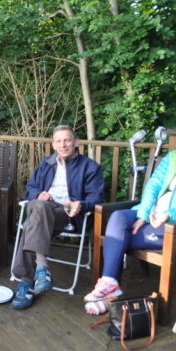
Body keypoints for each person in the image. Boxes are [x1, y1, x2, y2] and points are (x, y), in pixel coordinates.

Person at [84, 119, 176, 315]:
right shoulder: (174, 158)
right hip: (150, 215)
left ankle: (109, 295)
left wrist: (170, 215)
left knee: (116, 238)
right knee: (117, 217)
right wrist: (143, 214)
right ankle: (109, 284)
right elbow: (154, 185)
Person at [11, 125, 105, 310]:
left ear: (76, 142)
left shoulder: (90, 167)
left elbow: (97, 197)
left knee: (32, 222)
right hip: (44, 210)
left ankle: (26, 281)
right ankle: (41, 270)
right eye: (59, 141)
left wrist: (81, 204)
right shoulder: (47, 164)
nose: (63, 145)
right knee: (39, 206)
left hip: (68, 214)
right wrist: (39, 194)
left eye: (67, 140)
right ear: (53, 145)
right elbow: (31, 188)